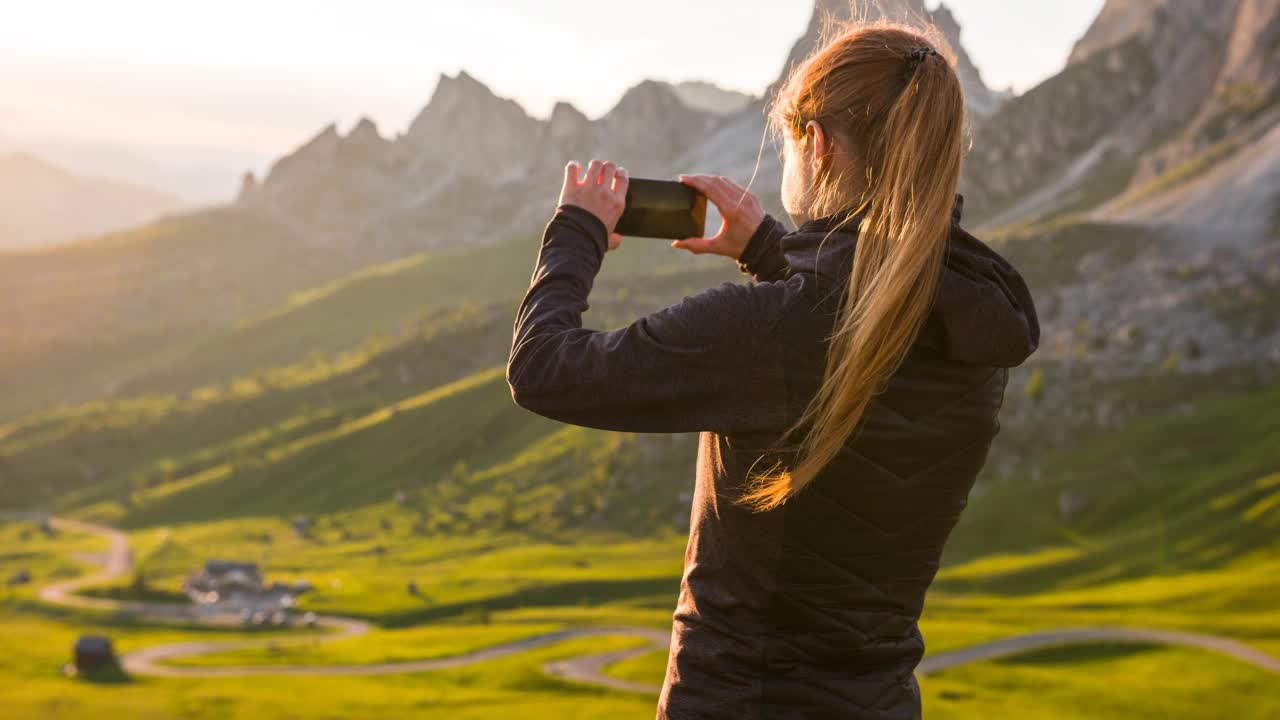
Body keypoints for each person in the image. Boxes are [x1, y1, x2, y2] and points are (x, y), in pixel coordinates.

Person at [506, 17, 1039, 720]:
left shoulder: (774, 331)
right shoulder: (970, 320)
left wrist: (575, 231)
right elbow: (857, 322)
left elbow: (545, 369)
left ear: (814, 146)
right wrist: (769, 249)